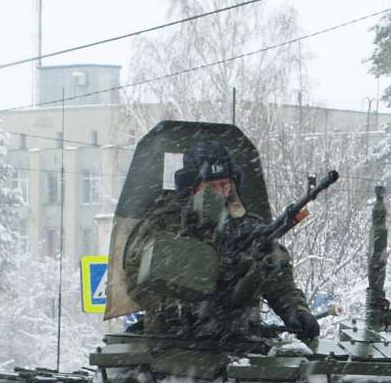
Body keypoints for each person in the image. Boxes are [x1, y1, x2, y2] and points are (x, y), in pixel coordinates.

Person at [128, 141, 321, 346]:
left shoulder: (247, 227)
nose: (220, 192)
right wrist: (180, 304)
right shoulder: (162, 224)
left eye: (225, 184)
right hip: (172, 343)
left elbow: (277, 274)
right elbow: (135, 276)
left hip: (239, 342)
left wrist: (296, 310)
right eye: (211, 186)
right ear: (191, 187)